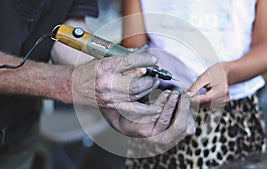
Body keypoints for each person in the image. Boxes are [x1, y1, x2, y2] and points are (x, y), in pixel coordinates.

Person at [0, 0, 195, 168]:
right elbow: (69, 81)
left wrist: (112, 91)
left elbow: (67, 29)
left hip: (18, 131)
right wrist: (69, 84)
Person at [122, 0, 267, 168]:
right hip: (159, 110)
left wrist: (228, 73)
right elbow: (133, 43)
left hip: (231, 114)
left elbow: (266, 48)